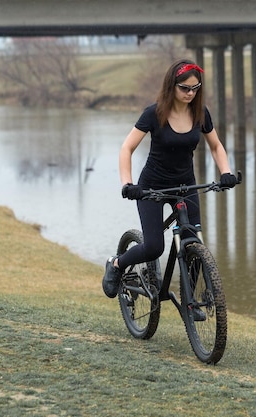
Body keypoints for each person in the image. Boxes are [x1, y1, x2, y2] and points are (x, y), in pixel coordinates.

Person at [102, 59, 237, 298]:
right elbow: (127, 148)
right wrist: (127, 184)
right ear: (172, 86)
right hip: (152, 188)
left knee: (194, 243)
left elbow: (216, 146)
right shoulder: (154, 114)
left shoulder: (200, 113)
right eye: (184, 88)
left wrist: (225, 172)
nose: (190, 93)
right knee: (154, 247)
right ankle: (116, 264)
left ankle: (190, 301)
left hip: (186, 185)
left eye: (195, 88)